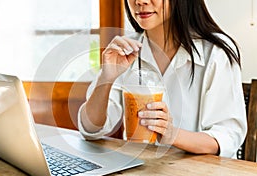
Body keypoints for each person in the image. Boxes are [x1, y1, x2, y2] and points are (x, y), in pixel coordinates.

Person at [77, 0, 247, 158]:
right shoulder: (126, 51)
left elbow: (227, 137)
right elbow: (90, 128)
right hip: (137, 174)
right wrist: (106, 77)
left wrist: (172, 134)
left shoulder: (216, 52)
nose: (140, 1)